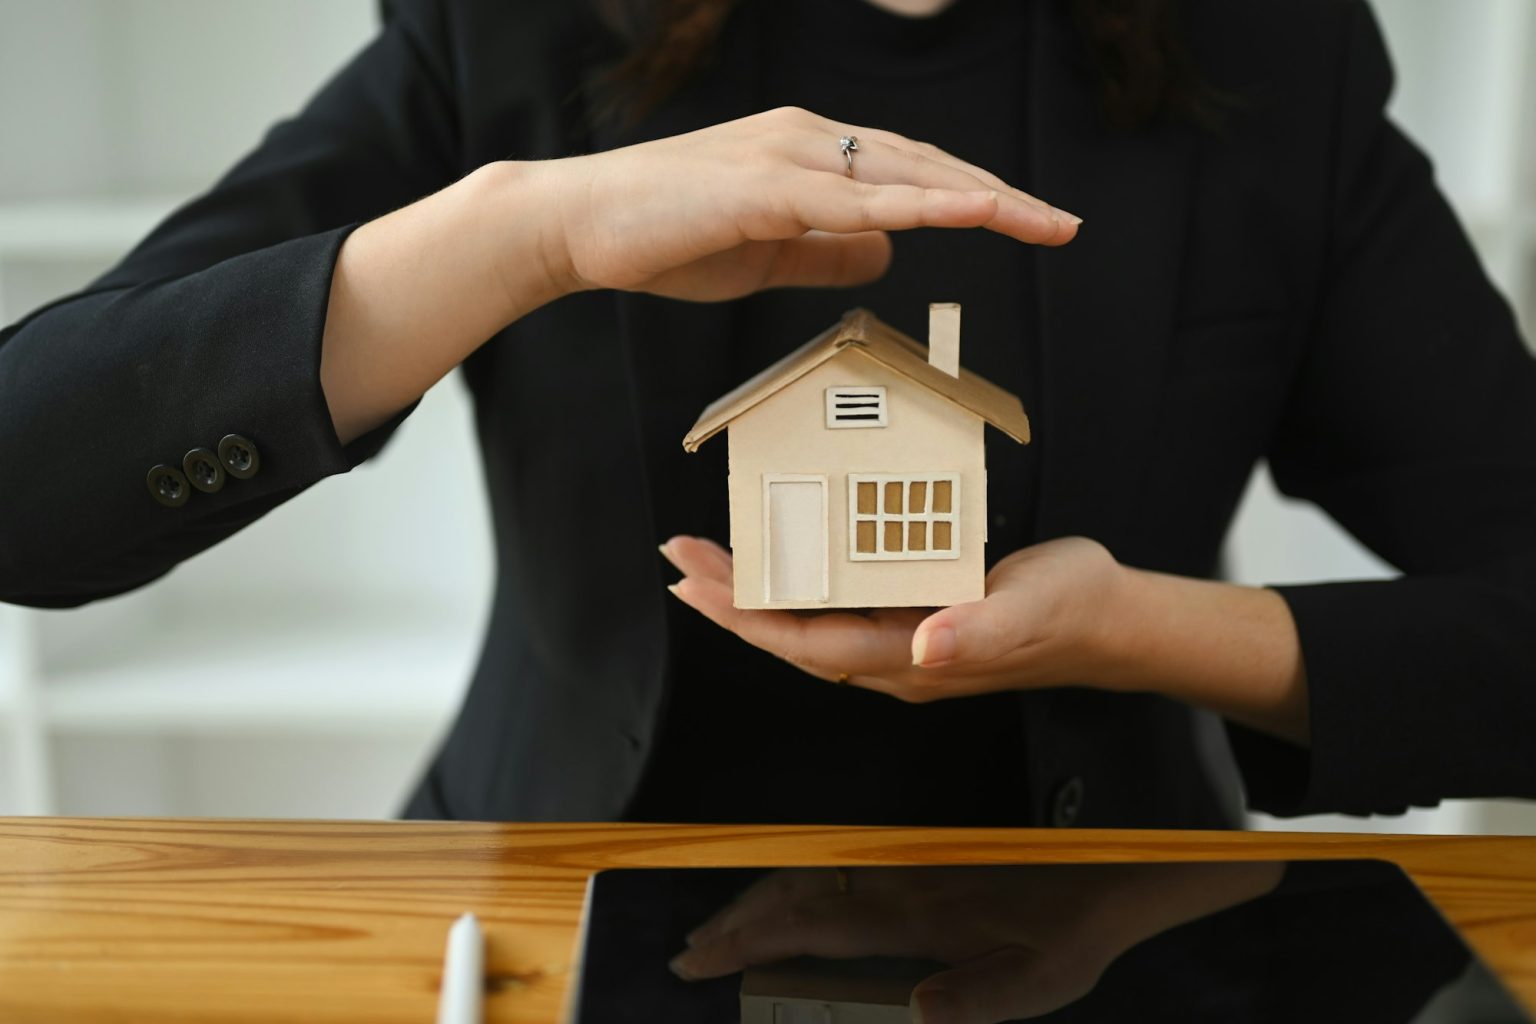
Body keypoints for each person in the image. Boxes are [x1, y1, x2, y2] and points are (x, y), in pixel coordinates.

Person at [1, 0, 1533, 838]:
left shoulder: (1272, 52)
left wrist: (1137, 631)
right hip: (554, 889)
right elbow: (25, 480)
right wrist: (524, 235)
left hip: (1109, 914)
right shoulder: (514, 33)